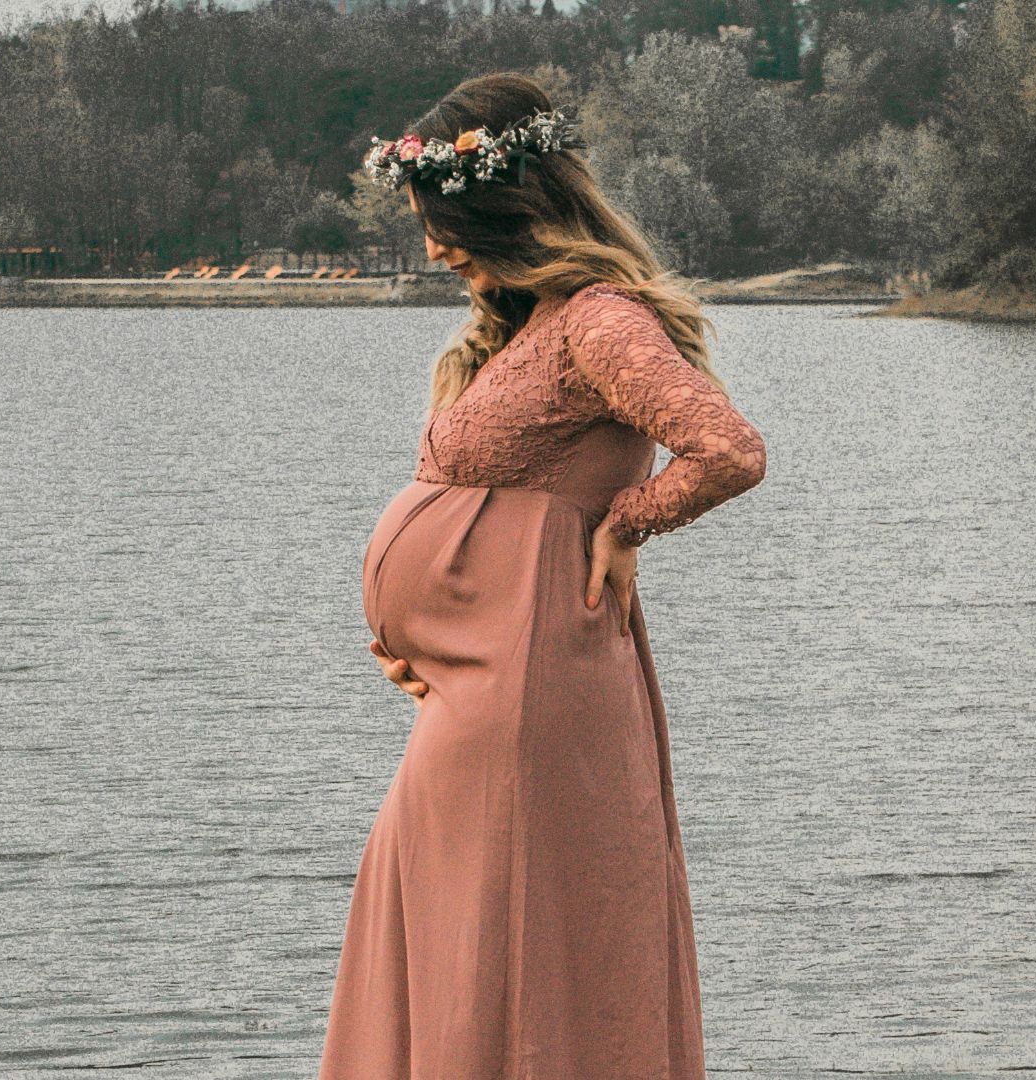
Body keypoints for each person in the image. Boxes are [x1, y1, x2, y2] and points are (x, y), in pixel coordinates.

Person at [318, 73, 767, 1080]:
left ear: (505, 207)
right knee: (458, 935)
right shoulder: (525, 324)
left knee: (499, 950)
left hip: (527, 693)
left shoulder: (597, 324)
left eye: (445, 224)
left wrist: (630, 522)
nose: (432, 247)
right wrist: (415, 636)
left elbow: (728, 449)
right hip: (474, 687)